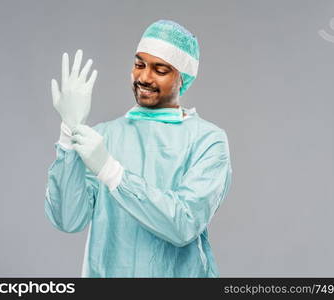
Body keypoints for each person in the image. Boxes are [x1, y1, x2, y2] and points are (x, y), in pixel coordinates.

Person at [45, 20, 233, 277]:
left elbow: (184, 225)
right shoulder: (104, 137)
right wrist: (69, 132)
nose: (144, 77)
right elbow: (68, 220)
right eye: (139, 64)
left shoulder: (207, 141)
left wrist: (111, 172)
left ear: (183, 77)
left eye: (160, 69)